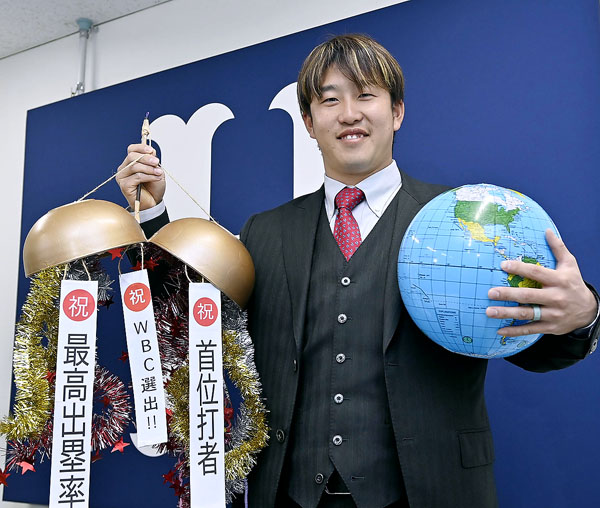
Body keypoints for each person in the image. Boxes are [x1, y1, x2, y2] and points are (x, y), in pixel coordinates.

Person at [116, 34, 599, 508]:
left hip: (430, 492)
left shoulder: (462, 220)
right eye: (330, 100)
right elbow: (193, 324)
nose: (349, 114)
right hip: (289, 494)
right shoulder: (266, 231)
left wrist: (582, 316)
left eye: (366, 95)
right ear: (309, 122)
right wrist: (153, 213)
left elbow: (530, 341)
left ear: (397, 112)